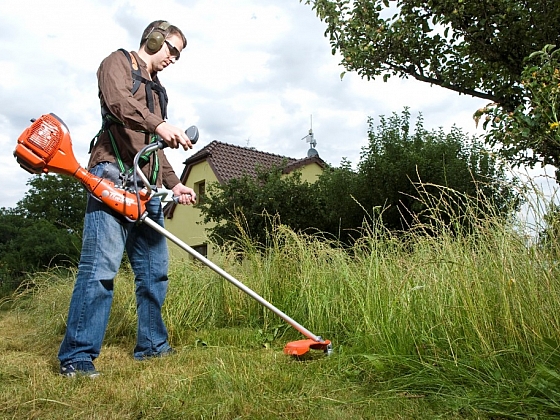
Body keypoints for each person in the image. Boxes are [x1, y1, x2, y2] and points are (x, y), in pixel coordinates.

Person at [58, 20, 196, 377]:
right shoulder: (116, 63)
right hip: (112, 177)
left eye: (179, 55)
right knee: (100, 270)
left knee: (155, 273)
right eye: (172, 49)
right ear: (153, 39)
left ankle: (152, 346)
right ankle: (77, 356)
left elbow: (155, 147)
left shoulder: (158, 91)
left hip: (147, 190)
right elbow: (118, 103)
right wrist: (159, 124)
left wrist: (175, 183)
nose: (174, 58)